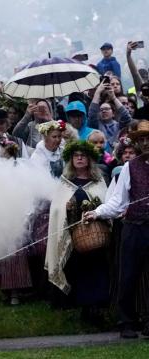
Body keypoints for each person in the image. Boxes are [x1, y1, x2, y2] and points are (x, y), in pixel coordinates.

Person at [83, 120, 149, 338]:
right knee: (128, 275)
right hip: (134, 228)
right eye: (142, 140)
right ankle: (126, 321)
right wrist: (97, 213)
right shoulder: (131, 166)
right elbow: (118, 202)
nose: (146, 143)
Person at [46, 140, 109, 323]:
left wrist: (97, 210)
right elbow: (56, 210)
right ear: (71, 160)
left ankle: (97, 308)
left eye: (83, 155)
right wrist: (68, 208)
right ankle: (83, 308)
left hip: (96, 236)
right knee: (78, 271)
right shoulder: (65, 183)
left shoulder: (98, 182)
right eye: (76, 156)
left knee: (97, 271)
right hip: (73, 237)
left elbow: (107, 204)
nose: (80, 158)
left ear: (89, 159)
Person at [88, 80, 132, 151]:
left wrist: (114, 98)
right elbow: (92, 114)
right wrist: (97, 93)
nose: (104, 111)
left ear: (113, 113)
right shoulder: (96, 126)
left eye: (106, 109)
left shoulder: (119, 126)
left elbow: (126, 116)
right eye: (101, 110)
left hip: (117, 159)